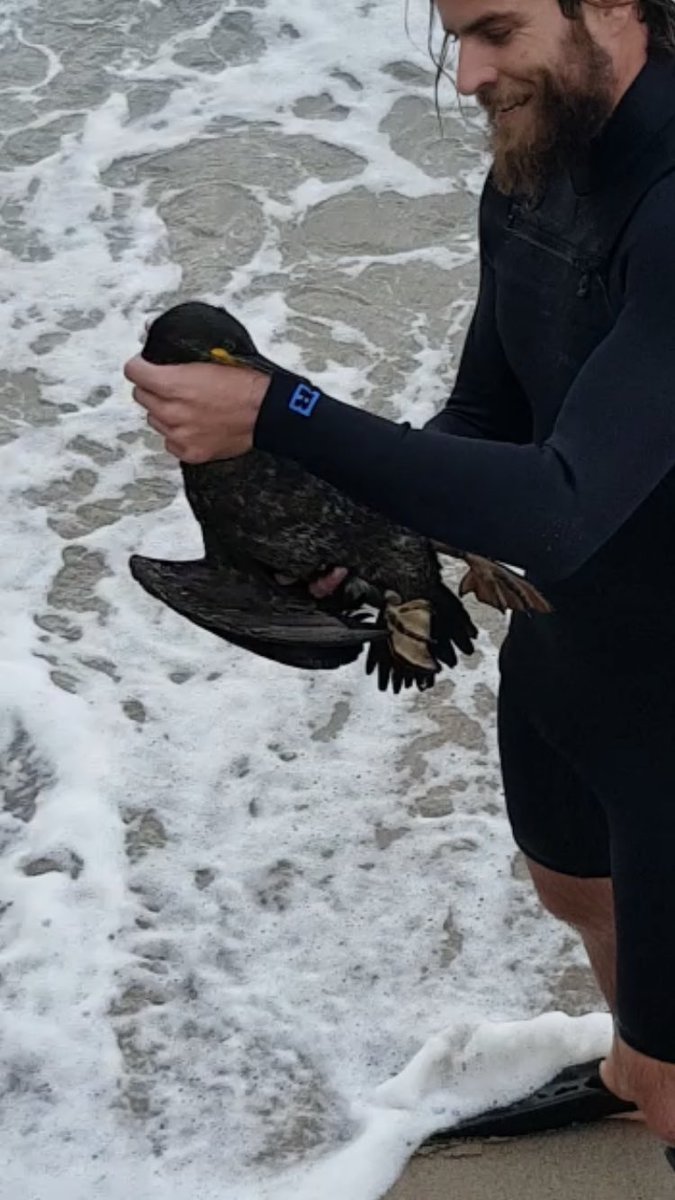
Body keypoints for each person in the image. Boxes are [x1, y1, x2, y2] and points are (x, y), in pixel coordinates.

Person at [125, 0, 675, 1150]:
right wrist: (350, 531)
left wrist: (284, 409)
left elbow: (566, 505)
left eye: (495, 30)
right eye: (450, 37)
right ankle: (635, 1065)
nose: (467, 73)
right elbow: (488, 412)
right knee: (576, 891)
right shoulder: (540, 159)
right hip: (579, 652)